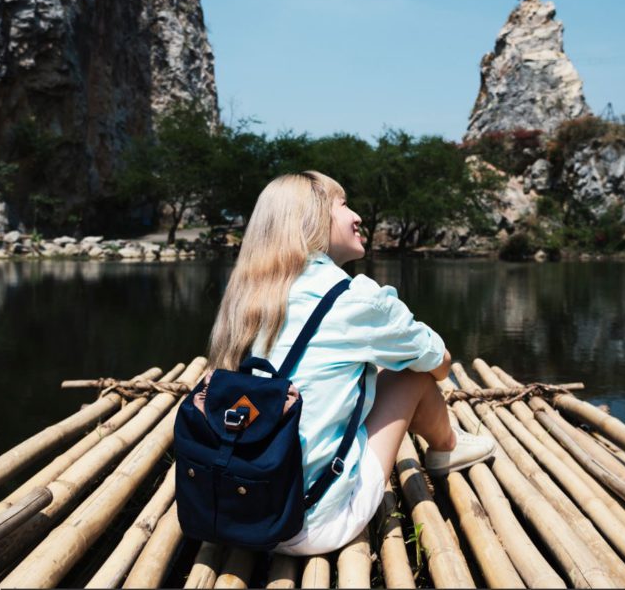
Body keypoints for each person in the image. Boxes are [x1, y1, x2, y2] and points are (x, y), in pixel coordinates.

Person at [207, 170, 496, 556]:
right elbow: (439, 362)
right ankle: (447, 446)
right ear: (311, 221)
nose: (357, 215)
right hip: (307, 522)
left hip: (231, 510)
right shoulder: (353, 297)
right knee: (410, 374)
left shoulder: (244, 296)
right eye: (343, 205)